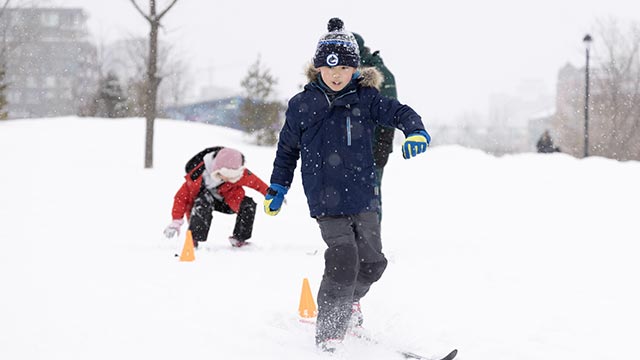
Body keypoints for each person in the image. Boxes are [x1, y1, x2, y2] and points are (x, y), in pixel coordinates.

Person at [262, 18, 431, 352]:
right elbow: (286, 151)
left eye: (344, 68)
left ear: (356, 68)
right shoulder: (302, 105)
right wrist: (278, 187)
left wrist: (415, 130)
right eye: (328, 67)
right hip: (326, 199)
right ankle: (330, 331)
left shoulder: (366, 99)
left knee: (372, 262)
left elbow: (400, 111)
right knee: (343, 258)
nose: (336, 74)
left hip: (364, 196)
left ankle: (350, 302)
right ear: (318, 68)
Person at [164, 147, 269, 248]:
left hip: (229, 201)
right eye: (226, 175)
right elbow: (181, 198)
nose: (229, 179)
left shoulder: (239, 172)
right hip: (204, 203)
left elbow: (257, 183)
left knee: (248, 205)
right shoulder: (196, 176)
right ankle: (193, 239)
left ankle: (239, 239)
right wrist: (176, 221)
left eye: (233, 176)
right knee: (203, 201)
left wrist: (271, 195)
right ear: (217, 170)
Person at [352, 32, 397, 220]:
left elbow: (390, 114)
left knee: (370, 197)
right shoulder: (344, 71)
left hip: (372, 148)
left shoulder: (380, 75)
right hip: (347, 149)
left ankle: (370, 244)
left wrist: (382, 148)